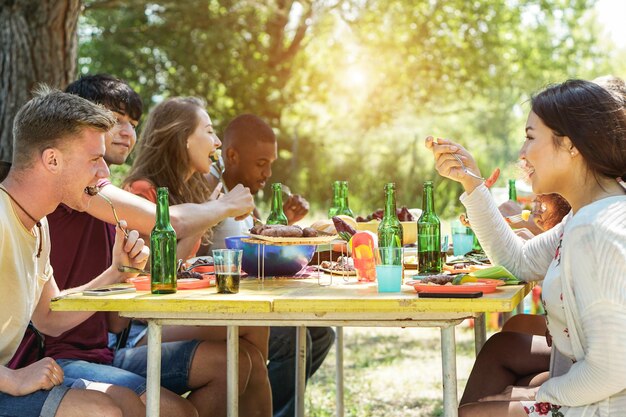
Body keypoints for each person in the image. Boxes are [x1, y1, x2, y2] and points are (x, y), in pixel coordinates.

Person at [427, 79, 626, 416]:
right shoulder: (586, 216)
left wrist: (540, 395)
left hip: (605, 406)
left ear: (572, 145)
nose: (522, 153)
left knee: (475, 413)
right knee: (485, 396)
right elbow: (516, 261)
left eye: (531, 137)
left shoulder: (597, 232)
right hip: (596, 392)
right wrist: (472, 183)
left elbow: (612, 369)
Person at [0, 87, 151, 416]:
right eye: (95, 159)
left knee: (131, 405)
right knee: (99, 411)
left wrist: (117, 273)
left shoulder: (38, 226)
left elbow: (50, 317)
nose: (105, 173)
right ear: (52, 160)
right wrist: (9, 378)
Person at [122, 96, 272, 416]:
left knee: (253, 355)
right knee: (251, 327)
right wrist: (213, 212)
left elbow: (185, 267)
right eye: (209, 131)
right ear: (183, 139)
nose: (217, 141)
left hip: (170, 314)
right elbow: (153, 277)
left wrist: (209, 212)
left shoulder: (192, 191)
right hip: (138, 329)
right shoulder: (142, 192)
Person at [205, 113, 335, 417]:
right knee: (293, 338)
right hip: (223, 304)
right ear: (232, 156)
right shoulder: (210, 186)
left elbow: (254, 238)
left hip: (253, 297)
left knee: (321, 333)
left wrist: (286, 224)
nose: (268, 172)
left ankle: (271, 410)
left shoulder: (243, 195)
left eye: (271, 163)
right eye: (261, 163)